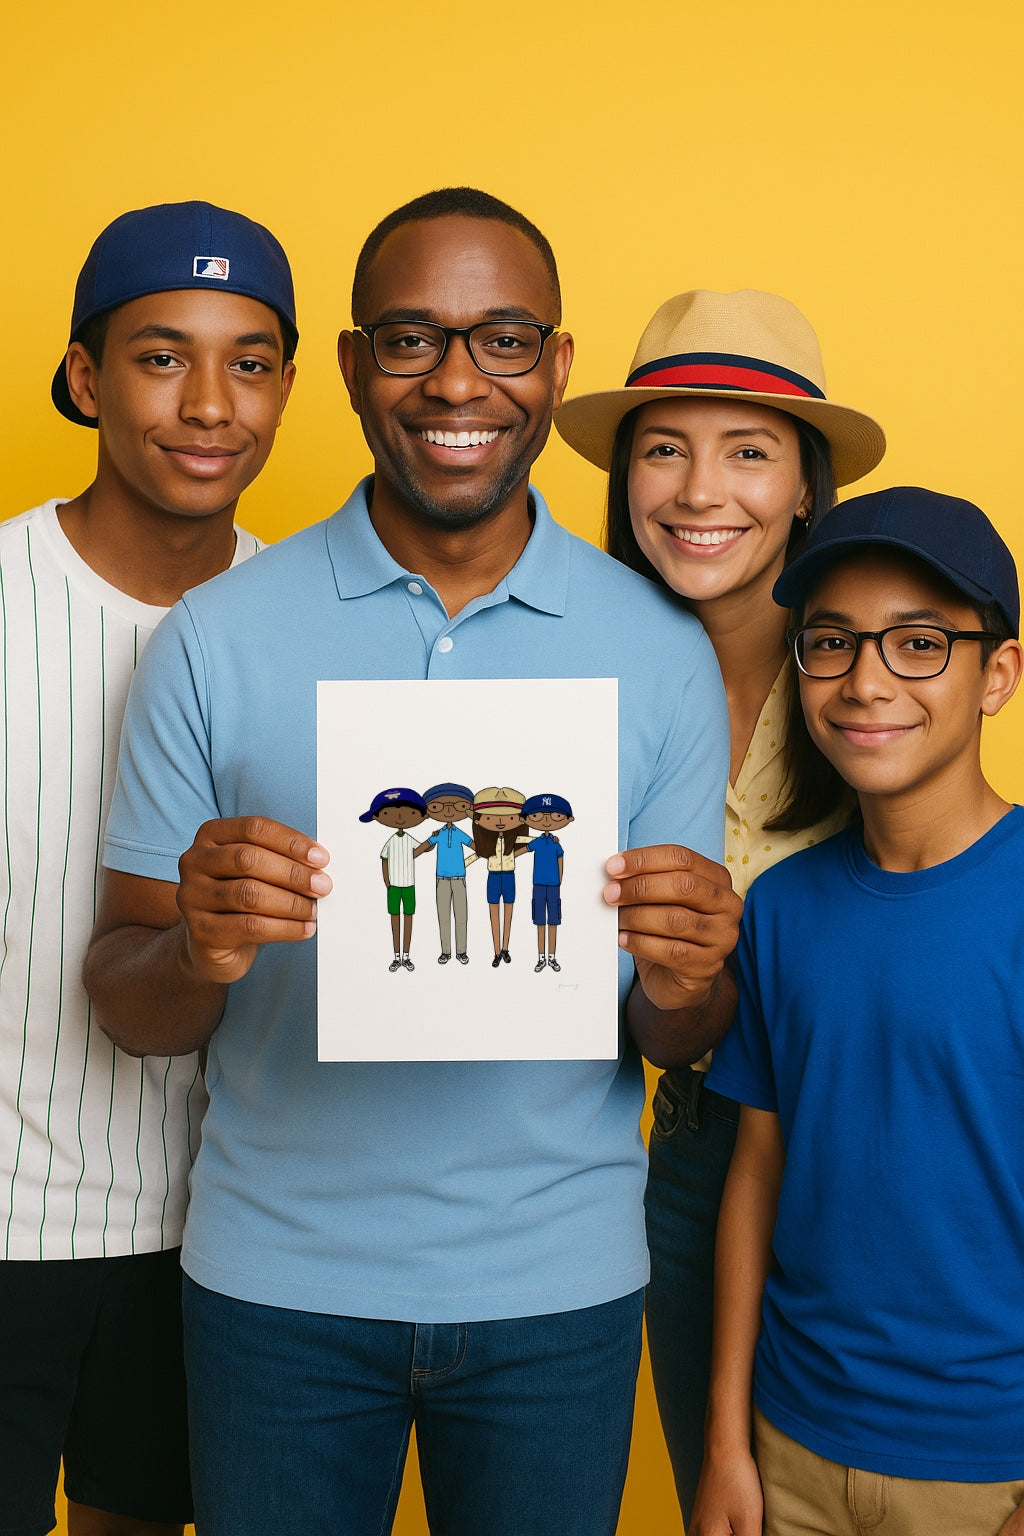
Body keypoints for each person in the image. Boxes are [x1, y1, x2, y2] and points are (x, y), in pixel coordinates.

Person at [82, 187, 742, 1536]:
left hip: (558, 1289)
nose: (457, 380)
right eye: (410, 340)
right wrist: (198, 948)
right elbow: (126, 1002)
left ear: (558, 369)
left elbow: (680, 1030)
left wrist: (687, 971)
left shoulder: (656, 648)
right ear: (349, 365)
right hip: (276, 1289)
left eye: (504, 341)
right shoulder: (213, 637)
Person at [555, 286, 885, 1520]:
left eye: (748, 451)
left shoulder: (876, 670)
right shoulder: (561, 665)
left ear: (806, 486)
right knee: (729, 1493)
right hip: (688, 1143)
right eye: (664, 449)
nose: (700, 493)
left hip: (871, 1126)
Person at [0, 200, 296, 1536]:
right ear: (83, 376)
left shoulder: (309, 625)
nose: (209, 404)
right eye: (160, 355)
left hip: (211, 1236)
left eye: (248, 361)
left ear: (290, 385)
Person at [691, 485, 1024, 1536]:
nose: (866, 682)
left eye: (918, 643)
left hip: (986, 1464)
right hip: (791, 1444)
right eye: (830, 643)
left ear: (997, 676)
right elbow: (756, 1169)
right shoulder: (781, 909)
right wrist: (724, 1442)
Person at [358, 787, 429, 970]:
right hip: (394, 887)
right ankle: (396, 956)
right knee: (395, 919)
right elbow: (384, 860)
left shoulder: (408, 838)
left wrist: (432, 840)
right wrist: (387, 883)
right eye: (389, 812)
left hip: (409, 886)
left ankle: (406, 955)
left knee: (409, 918)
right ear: (378, 816)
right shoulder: (391, 840)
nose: (399, 817)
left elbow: (419, 851)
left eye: (410, 812)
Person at [415, 782, 478, 964]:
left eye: (456, 806)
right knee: (443, 917)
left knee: (461, 916)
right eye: (439, 807)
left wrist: (471, 860)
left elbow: (476, 847)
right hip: (441, 879)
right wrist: (408, 856)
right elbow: (423, 847)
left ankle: (461, 952)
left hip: (459, 879)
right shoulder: (438, 833)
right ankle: (445, 952)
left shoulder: (459, 833)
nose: (449, 811)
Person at [472, 785, 530, 966]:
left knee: (509, 913)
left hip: (510, 877)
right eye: (489, 817)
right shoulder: (485, 842)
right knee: (494, 914)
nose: (500, 821)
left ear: (520, 820)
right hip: (493, 878)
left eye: (510, 817)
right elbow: (476, 854)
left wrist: (549, 838)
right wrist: (462, 864)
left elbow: (529, 842)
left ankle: (505, 948)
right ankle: (496, 951)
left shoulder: (515, 839)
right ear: (478, 821)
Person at [521, 792, 574, 971]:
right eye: (537, 816)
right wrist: (508, 857)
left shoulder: (556, 843)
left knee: (553, 921)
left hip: (553, 886)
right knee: (539, 921)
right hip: (538, 885)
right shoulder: (537, 842)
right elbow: (523, 850)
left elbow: (561, 858)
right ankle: (541, 958)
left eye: (555, 816)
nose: (545, 821)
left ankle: (552, 957)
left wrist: (560, 879)